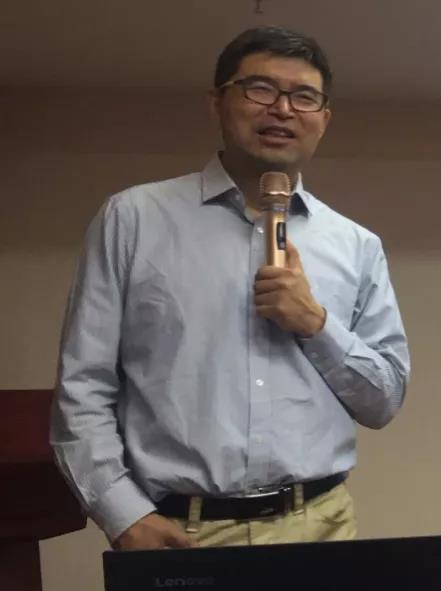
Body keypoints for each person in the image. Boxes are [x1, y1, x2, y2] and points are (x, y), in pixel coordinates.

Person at [49, 26, 409, 551]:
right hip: (180, 532)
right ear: (217, 102)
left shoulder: (357, 244)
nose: (282, 109)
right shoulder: (134, 219)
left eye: (304, 97)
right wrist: (123, 515)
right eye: (260, 89)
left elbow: (384, 400)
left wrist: (316, 324)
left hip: (321, 527)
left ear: (324, 119)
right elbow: (83, 389)